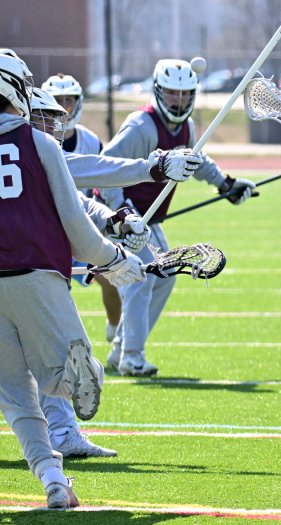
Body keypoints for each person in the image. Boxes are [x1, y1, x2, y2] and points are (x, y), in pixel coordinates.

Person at [0, 53, 145, 508]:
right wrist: (113, 259)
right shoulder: (39, 143)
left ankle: (53, 481)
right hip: (38, 275)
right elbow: (77, 226)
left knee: (16, 399)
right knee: (63, 379)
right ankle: (79, 374)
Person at [28, 87, 199, 459]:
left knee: (48, 360)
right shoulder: (30, 151)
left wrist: (116, 221)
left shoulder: (37, 151)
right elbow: (91, 174)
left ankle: (61, 438)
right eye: (45, 118)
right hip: (26, 275)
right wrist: (114, 255)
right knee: (49, 360)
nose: (54, 125)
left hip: (34, 272)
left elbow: (80, 200)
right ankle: (59, 441)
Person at [100, 58, 256, 377]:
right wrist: (123, 212)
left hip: (148, 221)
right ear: (159, 91)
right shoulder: (141, 126)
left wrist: (225, 184)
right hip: (119, 218)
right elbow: (103, 169)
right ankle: (132, 357)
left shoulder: (187, 127)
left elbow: (197, 159)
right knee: (143, 277)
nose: (179, 100)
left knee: (165, 274)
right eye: (173, 93)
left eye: (186, 94)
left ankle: (121, 349)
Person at [42, 73, 123, 343]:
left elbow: (103, 183)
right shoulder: (37, 139)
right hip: (46, 232)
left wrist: (116, 216)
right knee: (55, 296)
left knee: (111, 279)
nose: (64, 106)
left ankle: (116, 333)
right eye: (58, 100)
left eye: (70, 100)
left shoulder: (90, 141)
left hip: (80, 227)